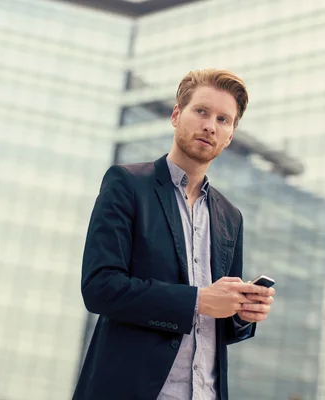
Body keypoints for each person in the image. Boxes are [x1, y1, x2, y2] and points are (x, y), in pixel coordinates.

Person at [73, 68, 275, 400]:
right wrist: (198, 300)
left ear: (230, 136)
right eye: (201, 112)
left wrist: (241, 312)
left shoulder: (230, 218)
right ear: (176, 115)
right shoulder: (127, 185)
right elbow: (100, 288)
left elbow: (213, 327)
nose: (211, 125)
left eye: (224, 120)